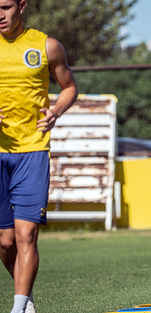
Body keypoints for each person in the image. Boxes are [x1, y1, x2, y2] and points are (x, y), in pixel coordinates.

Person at [0, 1, 78, 312]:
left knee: (26, 233)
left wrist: (56, 110)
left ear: (21, 6)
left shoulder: (46, 45)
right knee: (5, 243)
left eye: (5, 6)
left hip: (33, 151)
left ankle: (18, 307)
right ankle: (26, 297)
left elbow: (69, 86)